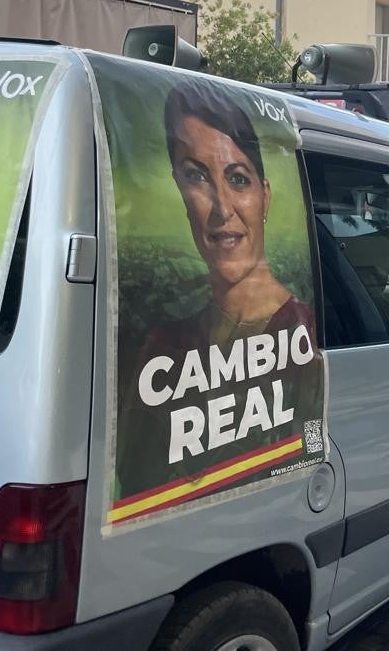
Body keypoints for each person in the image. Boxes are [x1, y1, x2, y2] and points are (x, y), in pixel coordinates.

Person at [117, 79, 324, 499]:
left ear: (265, 197)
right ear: (178, 188)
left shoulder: (306, 337)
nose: (222, 208)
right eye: (196, 176)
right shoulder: (164, 345)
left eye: (238, 178)